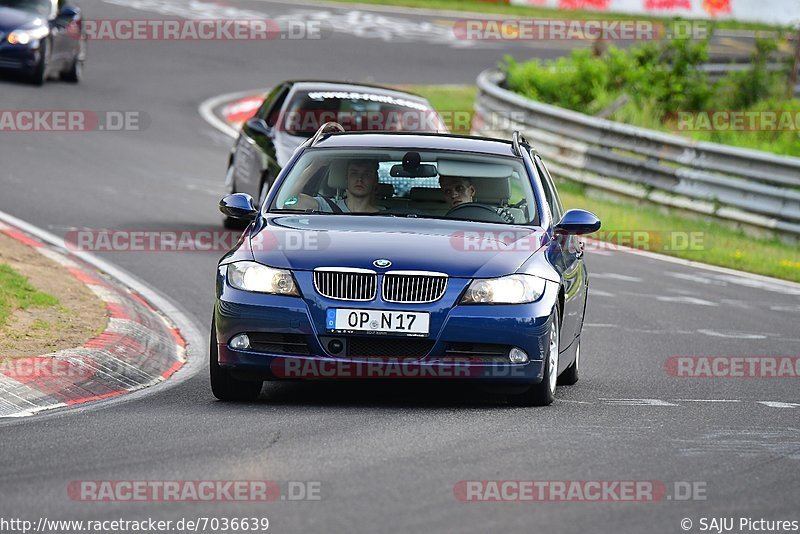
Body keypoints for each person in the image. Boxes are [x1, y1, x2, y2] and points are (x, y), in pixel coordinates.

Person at [287, 159, 383, 213]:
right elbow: (287, 202)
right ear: (346, 178)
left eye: (366, 174)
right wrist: (315, 165)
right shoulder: (325, 206)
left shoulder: (388, 216)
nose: (359, 179)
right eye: (354, 173)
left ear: (375, 180)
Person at [438, 175, 515, 223]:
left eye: (459, 188)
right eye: (448, 191)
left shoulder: (499, 216)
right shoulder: (438, 222)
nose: (453, 195)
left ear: (471, 191)